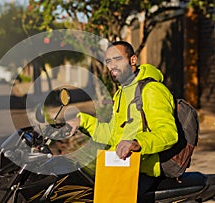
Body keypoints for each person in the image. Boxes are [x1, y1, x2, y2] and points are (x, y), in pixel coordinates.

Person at [67, 41, 178, 202]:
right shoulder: (121, 93)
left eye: (118, 59)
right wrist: (82, 121)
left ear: (133, 60)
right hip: (119, 166)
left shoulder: (151, 90)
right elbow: (112, 135)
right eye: (108, 61)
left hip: (141, 170)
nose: (112, 65)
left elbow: (168, 133)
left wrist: (137, 143)